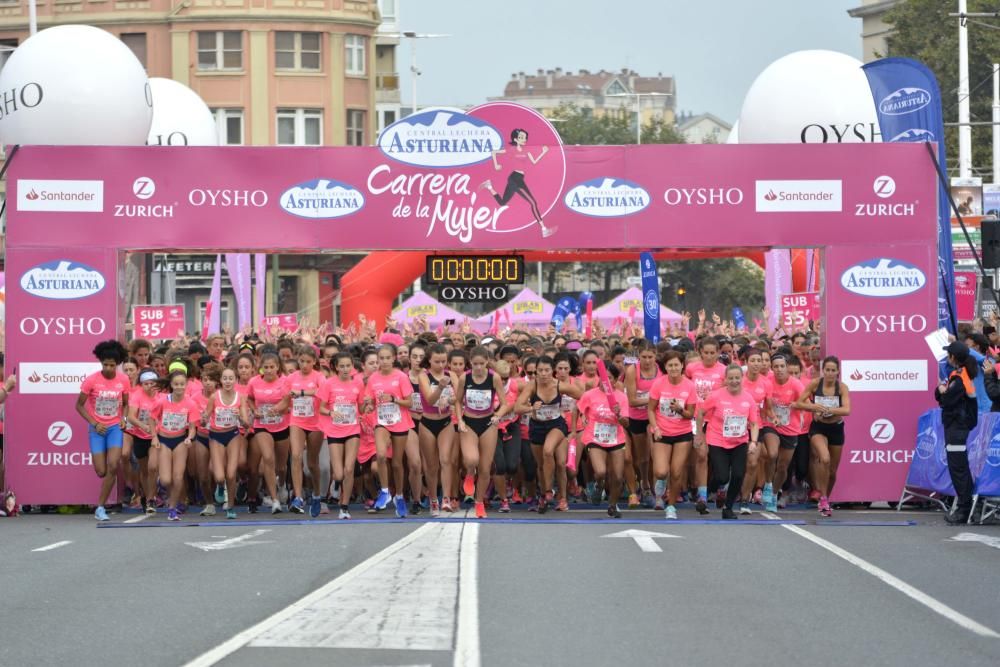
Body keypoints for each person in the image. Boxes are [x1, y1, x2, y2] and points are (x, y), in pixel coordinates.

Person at [76, 340, 131, 522]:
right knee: (101, 471)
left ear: (118, 364)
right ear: (101, 362)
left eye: (112, 365)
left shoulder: (123, 380)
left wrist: (123, 419)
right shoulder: (91, 380)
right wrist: (94, 422)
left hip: (115, 427)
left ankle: (101, 507)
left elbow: (126, 403)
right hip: (97, 429)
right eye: (105, 364)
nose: (108, 368)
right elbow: (79, 406)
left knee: (114, 465)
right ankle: (103, 496)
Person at [701, 365, 761, 520]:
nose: (734, 381)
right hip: (717, 439)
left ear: (742, 378)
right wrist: (698, 435)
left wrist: (753, 441)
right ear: (725, 379)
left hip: (739, 441)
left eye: (737, 378)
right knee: (722, 477)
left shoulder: (748, 399)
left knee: (738, 474)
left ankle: (728, 508)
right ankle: (709, 492)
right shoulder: (716, 396)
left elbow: (754, 423)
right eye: (731, 378)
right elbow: (700, 412)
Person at [363, 343, 417, 515]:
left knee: (397, 463)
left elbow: (410, 402)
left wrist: (394, 399)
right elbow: (369, 400)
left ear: (394, 358)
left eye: (388, 358)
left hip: (400, 422)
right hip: (382, 422)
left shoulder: (401, 376)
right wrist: (369, 405)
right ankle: (385, 492)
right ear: (377, 360)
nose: (384, 361)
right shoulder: (373, 378)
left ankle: (399, 496)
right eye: (381, 358)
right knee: (380, 455)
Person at [455, 346, 508, 518]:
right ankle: (470, 474)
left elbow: (505, 403)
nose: (478, 367)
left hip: (488, 423)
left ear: (487, 362)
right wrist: (460, 420)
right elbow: (457, 401)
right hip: (469, 422)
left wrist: (498, 415)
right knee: (471, 459)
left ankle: (479, 502)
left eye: (481, 364)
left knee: (485, 468)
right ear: (470, 363)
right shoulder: (465, 377)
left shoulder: (494, 378)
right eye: (475, 364)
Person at [573, 363, 630, 518]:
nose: (606, 382)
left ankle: (612, 505)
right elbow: (578, 409)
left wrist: (619, 415)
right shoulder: (590, 394)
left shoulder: (621, 397)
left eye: (610, 379)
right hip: (594, 437)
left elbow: (626, 423)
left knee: (618, 476)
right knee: (600, 472)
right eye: (604, 378)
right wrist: (581, 421)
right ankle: (599, 486)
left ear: (616, 380)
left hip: (616, 438)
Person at [798, 356, 851, 517]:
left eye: (833, 370)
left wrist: (828, 410)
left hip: (836, 428)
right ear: (823, 370)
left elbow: (847, 410)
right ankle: (823, 499)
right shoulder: (815, 384)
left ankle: (825, 498)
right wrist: (813, 407)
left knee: (833, 471)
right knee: (824, 458)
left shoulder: (841, 387)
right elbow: (799, 402)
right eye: (827, 370)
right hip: (818, 428)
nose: (829, 373)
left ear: (838, 372)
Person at [648, 350, 697, 519]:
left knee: (676, 472)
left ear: (682, 365)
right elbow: (650, 409)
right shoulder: (659, 384)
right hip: (663, 432)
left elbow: (691, 414)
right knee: (661, 471)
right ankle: (661, 482)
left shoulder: (689, 385)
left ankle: (671, 506)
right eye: (670, 365)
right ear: (665, 367)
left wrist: (680, 410)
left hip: (683, 433)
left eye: (676, 364)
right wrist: (655, 428)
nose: (674, 368)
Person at [481, 128, 555, 237]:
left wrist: (543, 152)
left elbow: (534, 162)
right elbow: (494, 152)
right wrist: (496, 165)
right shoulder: (512, 149)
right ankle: (544, 229)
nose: (523, 139)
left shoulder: (527, 151)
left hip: (518, 179)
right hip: (515, 179)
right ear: (515, 139)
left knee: (502, 203)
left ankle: (489, 186)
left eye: (524, 137)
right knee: (533, 203)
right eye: (521, 137)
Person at [936, 341, 979, 524]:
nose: (947, 357)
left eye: (949, 354)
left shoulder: (960, 378)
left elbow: (947, 400)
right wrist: (941, 392)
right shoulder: (960, 375)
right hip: (958, 427)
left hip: (956, 428)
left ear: (954, 357)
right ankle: (967, 507)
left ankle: (963, 510)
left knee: (958, 469)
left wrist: (941, 391)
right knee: (960, 468)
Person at [317, 352, 364, 520]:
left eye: (348, 366)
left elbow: (362, 408)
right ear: (336, 367)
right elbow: (321, 408)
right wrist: (331, 412)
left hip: (353, 430)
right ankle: (336, 486)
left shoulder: (358, 384)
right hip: (334, 431)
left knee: (349, 469)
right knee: (338, 473)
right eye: (342, 366)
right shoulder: (329, 384)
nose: (345, 369)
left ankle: (344, 507)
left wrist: (367, 407)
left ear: (352, 366)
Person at [243, 353, 291, 515]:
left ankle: (282, 484)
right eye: (266, 367)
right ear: (261, 367)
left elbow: (287, 401)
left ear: (278, 367)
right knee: (268, 458)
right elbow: (249, 398)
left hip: (282, 426)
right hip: (262, 425)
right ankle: (275, 500)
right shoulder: (254, 381)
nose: (269, 370)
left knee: (281, 466)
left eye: (272, 367)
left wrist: (277, 409)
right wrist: (254, 410)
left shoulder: (284, 381)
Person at [150, 370, 200, 521]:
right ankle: (161, 483)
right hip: (164, 440)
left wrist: (190, 438)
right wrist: (154, 437)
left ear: (186, 385)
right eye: (176, 384)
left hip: (180, 441)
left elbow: (192, 427)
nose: (179, 387)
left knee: (178, 478)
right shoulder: (162, 401)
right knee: (166, 480)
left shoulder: (191, 403)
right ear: (171, 385)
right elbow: (152, 419)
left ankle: (172, 509)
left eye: (182, 384)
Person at [286, 345, 326, 516]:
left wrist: (302, 392)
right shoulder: (291, 377)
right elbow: (286, 397)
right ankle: (298, 497)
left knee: (312, 463)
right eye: (301, 361)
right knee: (295, 455)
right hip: (297, 420)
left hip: (316, 422)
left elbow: (323, 393)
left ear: (314, 362)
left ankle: (317, 494)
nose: (304, 365)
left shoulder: (319, 377)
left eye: (308, 362)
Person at [418, 344, 456, 515]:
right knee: (431, 466)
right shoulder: (424, 376)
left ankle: (446, 498)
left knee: (446, 459)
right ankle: (434, 499)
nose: (441, 365)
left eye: (444, 361)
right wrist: (440, 387)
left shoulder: (452, 375)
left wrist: (450, 400)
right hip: (427, 422)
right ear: (429, 361)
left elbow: (459, 397)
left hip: (446, 422)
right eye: (437, 361)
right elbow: (430, 400)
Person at [204, 366, 246, 520]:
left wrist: (240, 417)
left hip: (233, 435)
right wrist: (202, 419)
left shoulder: (240, 397)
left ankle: (231, 506)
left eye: (231, 378)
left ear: (235, 380)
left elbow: (247, 424)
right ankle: (220, 487)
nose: (228, 381)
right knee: (220, 476)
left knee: (231, 473)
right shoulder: (214, 397)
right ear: (220, 380)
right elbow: (206, 418)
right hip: (216, 436)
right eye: (225, 378)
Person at [625, 341, 660, 508]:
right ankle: (644, 485)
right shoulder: (632, 371)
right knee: (643, 457)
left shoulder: (660, 370)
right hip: (637, 417)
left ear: (656, 356)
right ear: (639, 357)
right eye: (644, 357)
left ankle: (655, 489)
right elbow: (631, 401)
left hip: (656, 416)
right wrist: (653, 399)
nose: (647, 361)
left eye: (650, 357)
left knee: (655, 453)